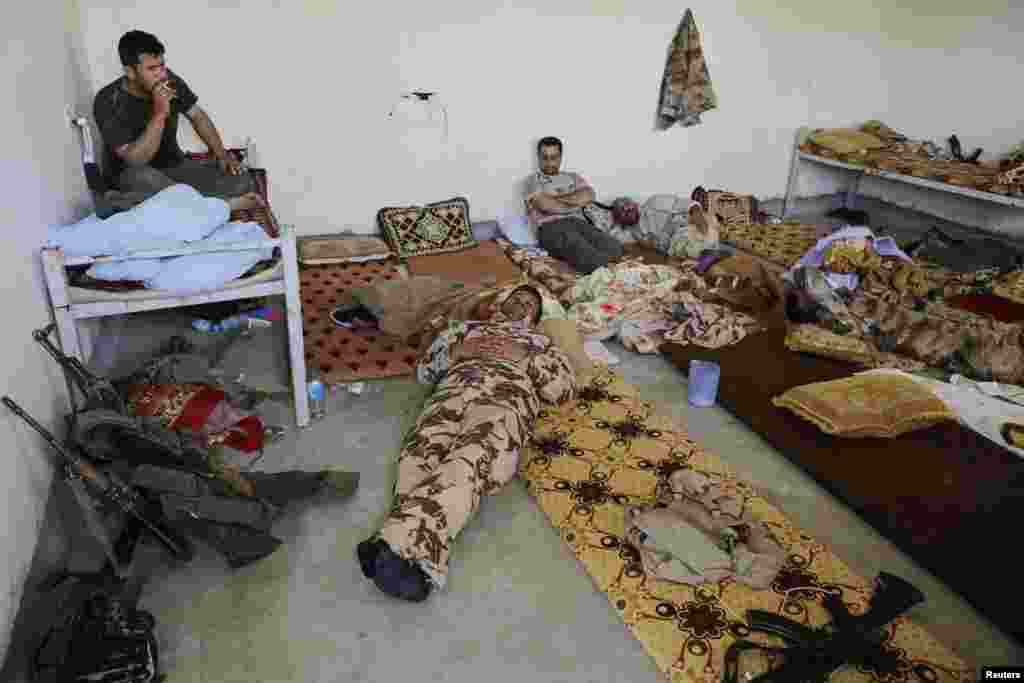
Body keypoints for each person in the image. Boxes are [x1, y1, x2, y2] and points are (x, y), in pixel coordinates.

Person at [356, 285, 578, 601]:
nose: (520, 303)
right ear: (498, 305)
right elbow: (426, 371)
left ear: (534, 318)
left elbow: (564, 390)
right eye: (515, 297)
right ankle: (414, 564)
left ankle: (393, 542)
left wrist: (526, 359)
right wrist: (453, 353)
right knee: (418, 457)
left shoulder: (542, 344)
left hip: (505, 395)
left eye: (529, 303)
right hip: (454, 389)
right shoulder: (464, 330)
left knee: (473, 459)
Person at [93, 30, 264, 213]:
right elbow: (136, 160)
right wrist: (159, 114)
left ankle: (187, 205)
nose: (161, 74)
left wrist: (221, 154)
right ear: (130, 72)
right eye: (152, 69)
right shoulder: (107, 100)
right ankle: (217, 206)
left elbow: (197, 115)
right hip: (132, 175)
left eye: (162, 65)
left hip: (174, 167)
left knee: (241, 181)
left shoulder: (170, 82)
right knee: (146, 180)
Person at [524, 136, 624, 274]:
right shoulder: (532, 181)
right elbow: (545, 205)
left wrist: (554, 198)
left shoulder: (573, 177)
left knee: (615, 248)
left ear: (560, 157)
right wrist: (575, 201)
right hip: (550, 227)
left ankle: (604, 267)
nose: (549, 162)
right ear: (539, 157)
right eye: (544, 157)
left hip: (578, 223)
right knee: (581, 249)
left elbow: (589, 195)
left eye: (554, 157)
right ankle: (605, 272)